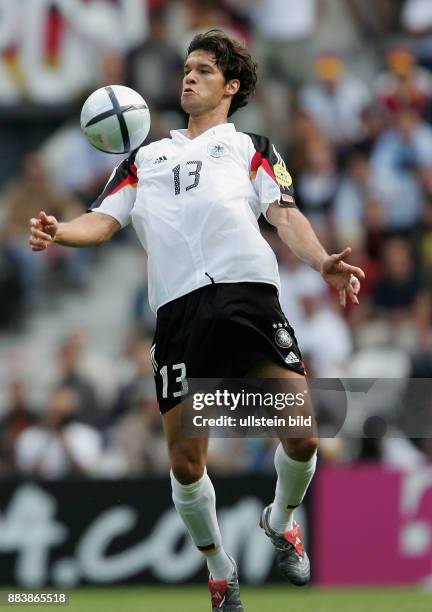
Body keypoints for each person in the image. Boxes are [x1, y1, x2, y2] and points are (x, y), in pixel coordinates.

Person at [29, 30, 364, 612]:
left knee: (305, 433)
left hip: (250, 299)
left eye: (204, 70)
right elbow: (102, 222)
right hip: (180, 312)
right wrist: (60, 231)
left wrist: (322, 261)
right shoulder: (145, 157)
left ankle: (281, 520)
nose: (189, 76)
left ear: (231, 87)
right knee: (186, 461)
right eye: (186, 68)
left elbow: (284, 214)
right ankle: (218, 567)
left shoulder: (250, 146)